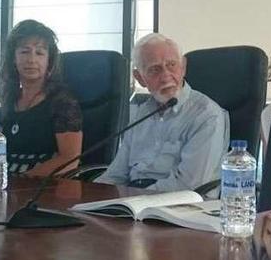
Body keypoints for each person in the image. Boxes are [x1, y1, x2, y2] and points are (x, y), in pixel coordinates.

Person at [95, 33, 229, 193]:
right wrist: (89, 195)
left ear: (183, 67)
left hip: (179, 206)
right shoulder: (141, 113)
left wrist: (133, 199)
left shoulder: (206, 114)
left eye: (172, 65)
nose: (165, 76)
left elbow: (189, 185)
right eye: (154, 69)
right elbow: (116, 174)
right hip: (135, 201)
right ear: (140, 78)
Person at [0, 20, 83, 176]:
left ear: (49, 61)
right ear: (13, 58)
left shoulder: (62, 101)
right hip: (7, 180)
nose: (31, 59)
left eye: (39, 53)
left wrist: (25, 179)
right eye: (24, 51)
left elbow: (70, 158)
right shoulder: (11, 98)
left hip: (45, 186)